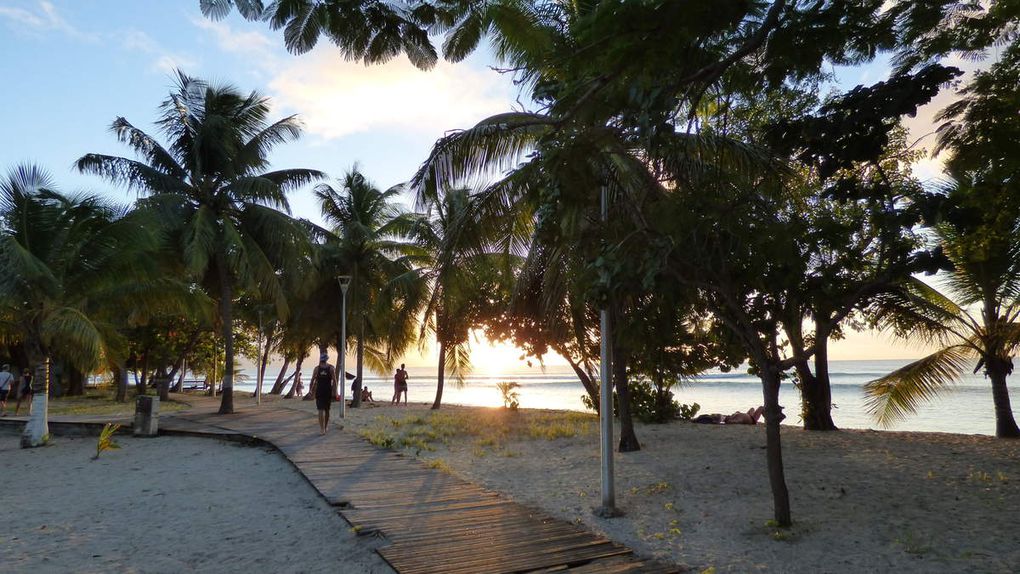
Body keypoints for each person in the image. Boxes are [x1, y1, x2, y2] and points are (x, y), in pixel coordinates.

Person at [309, 353, 337, 435]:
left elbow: (312, 380)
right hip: (327, 391)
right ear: (326, 359)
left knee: (321, 410)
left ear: (320, 359)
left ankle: (322, 429)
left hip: (320, 391)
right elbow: (334, 381)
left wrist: (310, 390)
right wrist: (335, 391)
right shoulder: (331, 368)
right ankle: (324, 427)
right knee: (326, 410)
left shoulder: (317, 369)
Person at [693, 406, 765, 425]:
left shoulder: (731, 416)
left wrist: (736, 413)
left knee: (752, 408)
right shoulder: (732, 419)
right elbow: (735, 422)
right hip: (752, 420)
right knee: (761, 407)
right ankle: (768, 421)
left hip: (748, 415)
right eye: (720, 415)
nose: (723, 415)